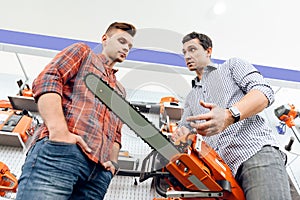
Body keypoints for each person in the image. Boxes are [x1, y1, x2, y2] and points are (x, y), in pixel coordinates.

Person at [16, 22, 136, 200]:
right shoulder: (83, 54)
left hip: (98, 175)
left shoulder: (120, 90)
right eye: (121, 41)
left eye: (130, 46)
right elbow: (48, 78)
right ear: (105, 39)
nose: (126, 48)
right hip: (61, 153)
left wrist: (112, 164)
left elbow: (116, 132)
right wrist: (59, 132)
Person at [174, 32, 292, 200]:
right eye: (184, 52)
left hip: (254, 155)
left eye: (192, 49)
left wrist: (229, 115)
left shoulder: (231, 67)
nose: (187, 56)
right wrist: (181, 136)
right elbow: (184, 129)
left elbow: (264, 93)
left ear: (208, 51)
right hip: (220, 176)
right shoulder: (191, 98)